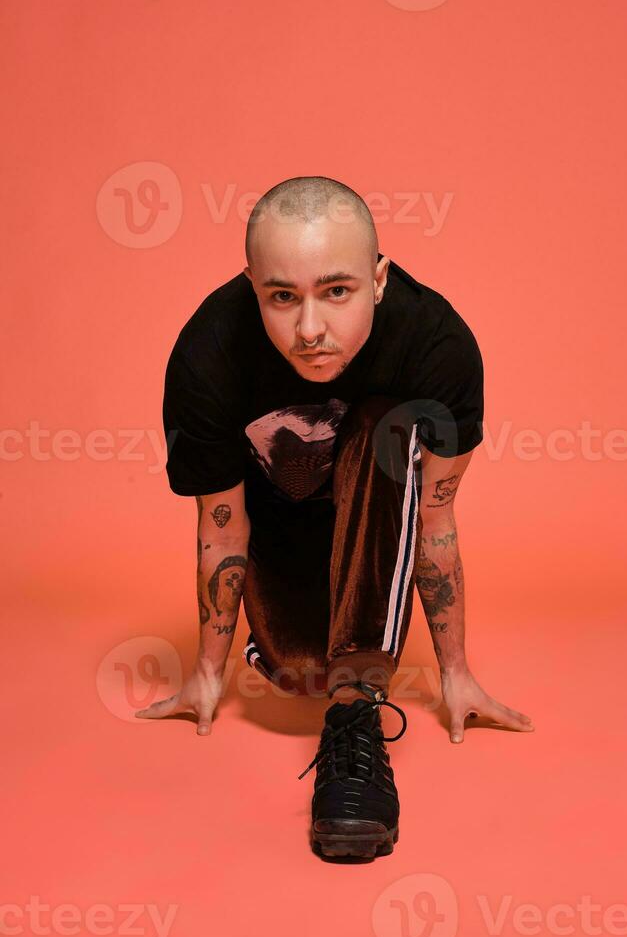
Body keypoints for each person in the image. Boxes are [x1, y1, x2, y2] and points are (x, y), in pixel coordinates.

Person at [136, 175, 534, 860]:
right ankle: (325, 676)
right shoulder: (209, 354)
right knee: (299, 671)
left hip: (378, 531)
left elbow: (434, 520)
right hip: (281, 539)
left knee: (388, 424)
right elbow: (223, 527)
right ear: (252, 284)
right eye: (282, 297)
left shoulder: (435, 346)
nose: (311, 328)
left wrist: (455, 672)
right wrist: (206, 671)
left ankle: (356, 727)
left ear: (379, 279)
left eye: (337, 291)